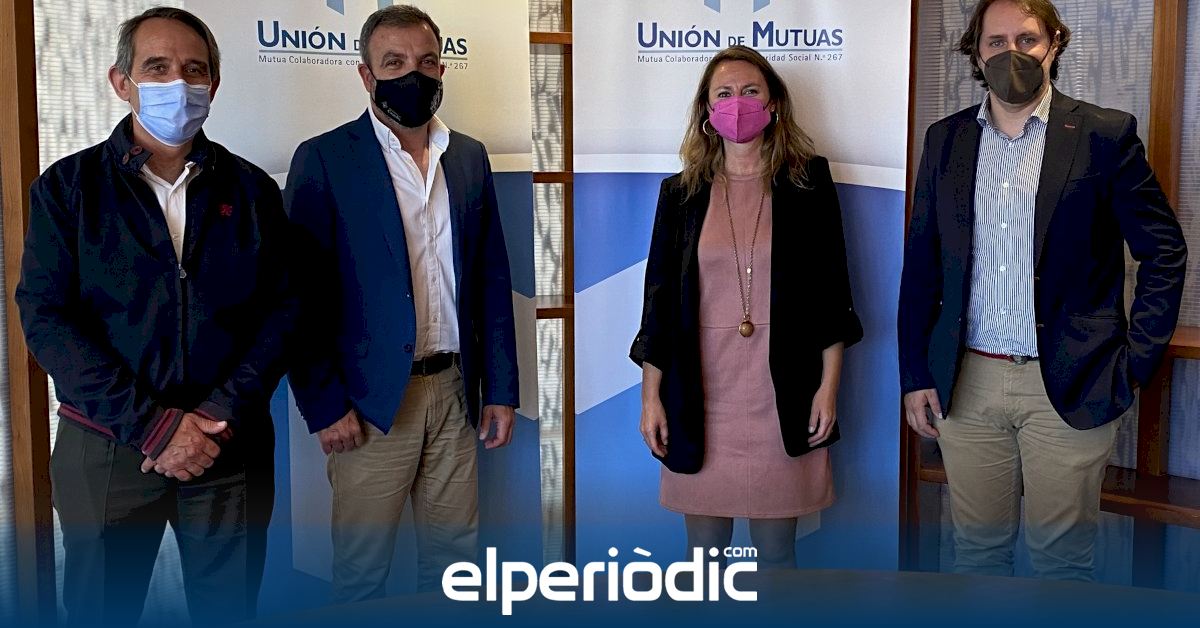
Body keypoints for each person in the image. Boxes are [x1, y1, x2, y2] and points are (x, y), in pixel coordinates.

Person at [15, 7, 292, 625]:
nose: (179, 83)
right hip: (108, 444)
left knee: (230, 613)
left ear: (214, 85)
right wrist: (154, 426)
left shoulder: (252, 191)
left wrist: (219, 411)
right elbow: (46, 318)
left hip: (226, 444)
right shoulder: (68, 188)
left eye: (194, 70)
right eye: (157, 67)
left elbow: (282, 311)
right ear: (122, 82)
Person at [899, 0, 1187, 581]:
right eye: (996, 41)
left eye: (1027, 39)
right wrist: (914, 373)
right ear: (976, 52)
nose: (1012, 53)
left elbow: (1164, 251)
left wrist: (1134, 363)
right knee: (976, 557)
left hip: (1071, 381)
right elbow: (923, 264)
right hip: (967, 383)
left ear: (1054, 43)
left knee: (1062, 566)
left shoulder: (1104, 135)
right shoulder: (946, 140)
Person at [285, 4, 519, 600]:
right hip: (370, 403)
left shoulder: (468, 156)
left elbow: (491, 277)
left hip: (456, 390)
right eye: (393, 63)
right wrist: (324, 406)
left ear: (441, 69)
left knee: (454, 568)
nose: (412, 74)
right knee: (362, 574)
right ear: (366, 75)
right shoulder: (325, 159)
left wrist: (501, 389)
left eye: (426, 61)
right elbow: (299, 297)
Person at [630, 45, 862, 570]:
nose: (738, 103)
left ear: (773, 103)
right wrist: (651, 399)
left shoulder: (808, 182)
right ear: (707, 110)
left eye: (751, 91)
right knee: (703, 557)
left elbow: (832, 297)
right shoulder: (680, 194)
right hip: (699, 394)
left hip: (784, 392)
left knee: (777, 554)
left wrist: (828, 389)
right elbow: (658, 306)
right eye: (725, 94)